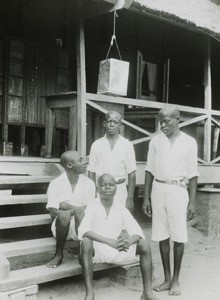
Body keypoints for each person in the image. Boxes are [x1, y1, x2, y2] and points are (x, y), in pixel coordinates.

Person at [142, 106, 198, 296]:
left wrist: (192, 202)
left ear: (177, 120)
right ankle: (166, 278)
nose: (162, 124)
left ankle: (175, 280)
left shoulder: (189, 142)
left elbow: (193, 174)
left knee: (179, 235)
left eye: (166, 121)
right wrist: (146, 197)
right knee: (162, 234)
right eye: (160, 121)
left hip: (178, 190)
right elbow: (149, 169)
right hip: (158, 190)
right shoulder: (156, 141)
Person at [78, 173, 157, 300]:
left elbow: (136, 230)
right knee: (86, 242)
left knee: (144, 244)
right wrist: (110, 242)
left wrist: (129, 242)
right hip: (99, 250)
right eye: (104, 185)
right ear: (97, 189)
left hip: (119, 249)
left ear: (116, 188)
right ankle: (89, 293)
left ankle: (147, 293)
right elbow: (84, 230)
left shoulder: (121, 207)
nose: (108, 188)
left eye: (111, 185)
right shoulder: (92, 206)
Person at [46, 150, 96, 268]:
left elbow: (91, 209)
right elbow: (53, 213)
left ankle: (82, 252)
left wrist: (64, 205)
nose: (86, 162)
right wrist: (77, 209)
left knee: (80, 213)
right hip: (62, 228)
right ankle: (59, 254)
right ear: (69, 165)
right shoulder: (56, 183)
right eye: (80, 160)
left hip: (83, 226)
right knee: (64, 215)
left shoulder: (89, 183)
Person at [88, 110, 137, 210]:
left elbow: (132, 173)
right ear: (104, 124)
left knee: (119, 221)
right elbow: (91, 172)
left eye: (115, 122)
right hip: (101, 190)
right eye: (109, 121)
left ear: (120, 125)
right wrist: (93, 194)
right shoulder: (97, 144)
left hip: (120, 189)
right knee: (101, 220)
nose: (111, 125)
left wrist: (130, 197)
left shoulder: (127, 145)